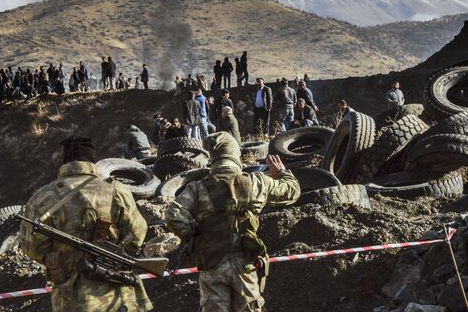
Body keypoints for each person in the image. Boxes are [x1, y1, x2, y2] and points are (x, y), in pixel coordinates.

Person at [165, 132, 300, 312]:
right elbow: (292, 191)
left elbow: (173, 215)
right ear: (235, 154)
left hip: (212, 264)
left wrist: (193, 235)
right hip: (246, 264)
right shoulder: (257, 182)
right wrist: (281, 172)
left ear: (212, 158)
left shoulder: (197, 188)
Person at [20, 136, 152, 312]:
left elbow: (33, 249)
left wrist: (64, 255)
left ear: (64, 161)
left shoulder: (42, 198)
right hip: (120, 295)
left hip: (71, 298)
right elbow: (137, 234)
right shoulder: (116, 189)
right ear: (92, 160)